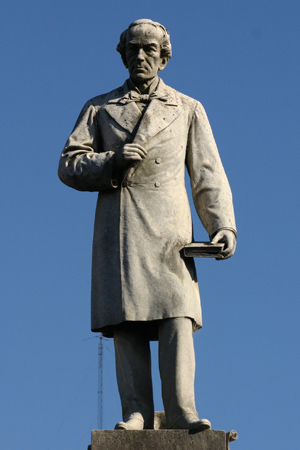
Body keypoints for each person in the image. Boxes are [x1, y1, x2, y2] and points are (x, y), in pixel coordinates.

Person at [58, 19, 236, 432]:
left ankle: (181, 411)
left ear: (164, 56)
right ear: (122, 55)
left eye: (149, 50)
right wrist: (112, 161)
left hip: (171, 231)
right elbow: (68, 165)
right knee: (127, 319)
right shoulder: (99, 108)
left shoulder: (188, 108)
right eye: (133, 49)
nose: (141, 56)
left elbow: (208, 174)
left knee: (176, 316)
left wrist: (222, 224)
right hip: (121, 228)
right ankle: (135, 411)